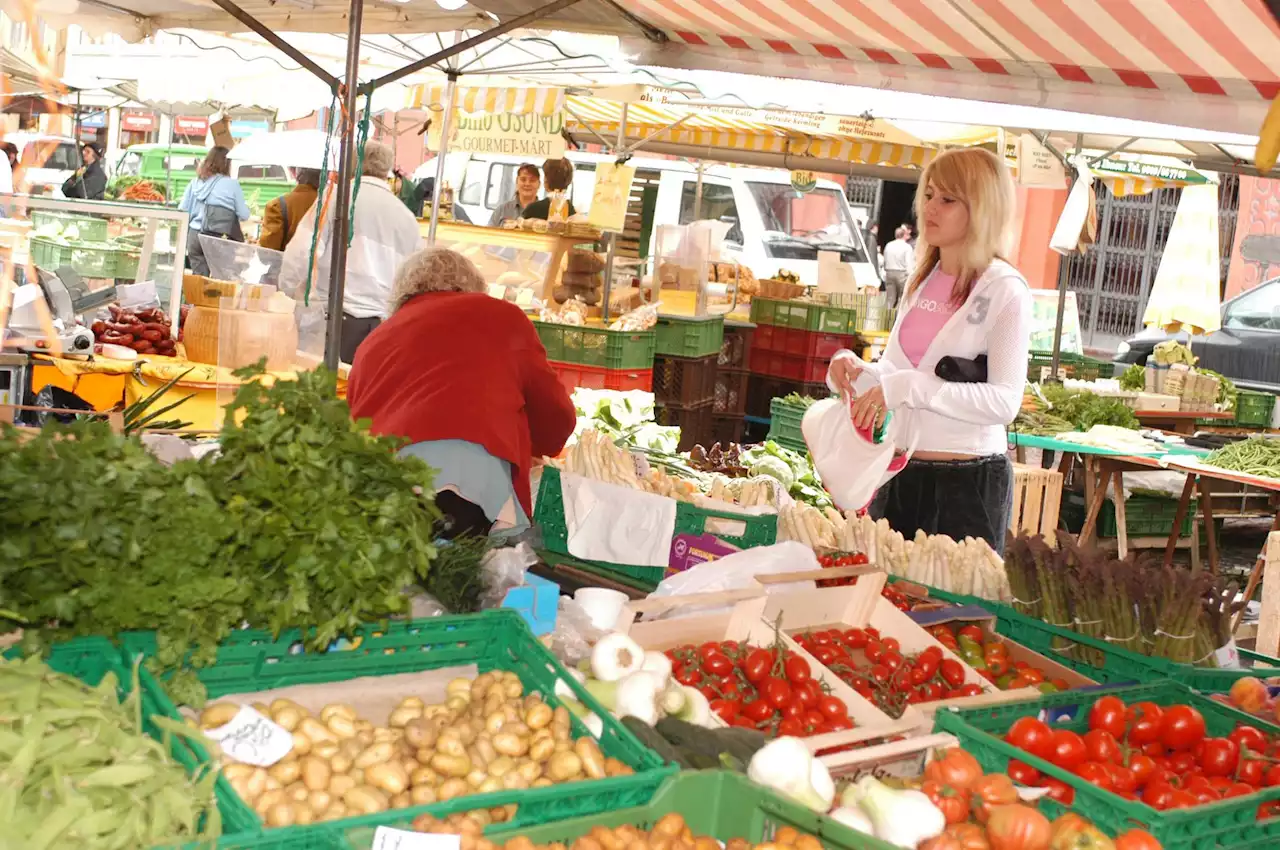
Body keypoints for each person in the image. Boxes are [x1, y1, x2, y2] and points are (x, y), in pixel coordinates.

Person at [826, 147, 1029, 553]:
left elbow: (1005, 403)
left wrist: (909, 387)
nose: (930, 208)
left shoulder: (1005, 289)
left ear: (983, 208)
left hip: (969, 483)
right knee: (885, 602)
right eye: (930, 195)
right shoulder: (922, 279)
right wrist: (854, 369)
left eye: (948, 199)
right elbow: (897, 372)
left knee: (955, 613)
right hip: (901, 472)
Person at [347, 247, 576, 539]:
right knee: (475, 577)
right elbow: (555, 417)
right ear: (473, 287)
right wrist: (541, 445)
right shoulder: (503, 317)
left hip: (385, 484)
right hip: (475, 486)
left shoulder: (375, 339)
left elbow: (356, 423)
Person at [281, 141, 422, 364]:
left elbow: (302, 254)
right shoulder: (407, 218)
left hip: (333, 320)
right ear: (386, 170)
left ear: (352, 164)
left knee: (323, 391)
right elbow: (415, 280)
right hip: (381, 327)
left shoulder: (335, 197)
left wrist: (289, 295)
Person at [179, 147, 251, 276]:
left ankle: (196, 296)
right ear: (227, 163)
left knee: (199, 279)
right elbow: (244, 215)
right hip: (217, 237)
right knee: (220, 279)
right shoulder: (231, 184)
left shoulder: (194, 183)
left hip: (194, 236)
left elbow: (183, 210)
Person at [258, 168, 320, 251]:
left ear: (296, 174)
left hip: (286, 263)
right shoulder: (331, 204)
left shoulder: (278, 206)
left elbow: (266, 253)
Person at [882, 224, 915, 308]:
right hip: (901, 274)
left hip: (889, 272)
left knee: (890, 298)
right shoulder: (907, 247)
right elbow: (909, 263)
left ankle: (886, 316)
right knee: (901, 297)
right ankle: (896, 317)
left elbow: (885, 259)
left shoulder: (888, 245)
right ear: (904, 235)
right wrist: (910, 275)